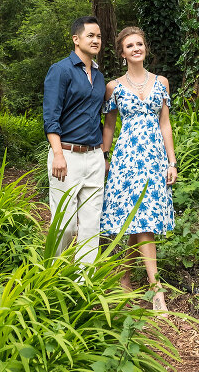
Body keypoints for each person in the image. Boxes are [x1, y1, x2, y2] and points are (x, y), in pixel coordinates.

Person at [100, 26, 178, 313]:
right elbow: (109, 125)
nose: (136, 48)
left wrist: (172, 161)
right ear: (122, 53)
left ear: (146, 48)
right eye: (130, 45)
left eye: (140, 44)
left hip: (154, 158)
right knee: (138, 219)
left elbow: (165, 124)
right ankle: (156, 288)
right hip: (126, 160)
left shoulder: (162, 83)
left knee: (142, 219)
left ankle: (124, 276)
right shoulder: (114, 86)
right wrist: (104, 158)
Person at [42, 16, 107, 268]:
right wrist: (57, 153)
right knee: (65, 225)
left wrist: (103, 155)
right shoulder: (60, 70)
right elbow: (51, 116)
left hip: (94, 156)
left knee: (91, 225)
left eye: (99, 36)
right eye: (90, 35)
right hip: (66, 155)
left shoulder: (99, 76)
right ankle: (52, 274)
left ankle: (84, 281)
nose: (95, 40)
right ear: (76, 39)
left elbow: (96, 118)